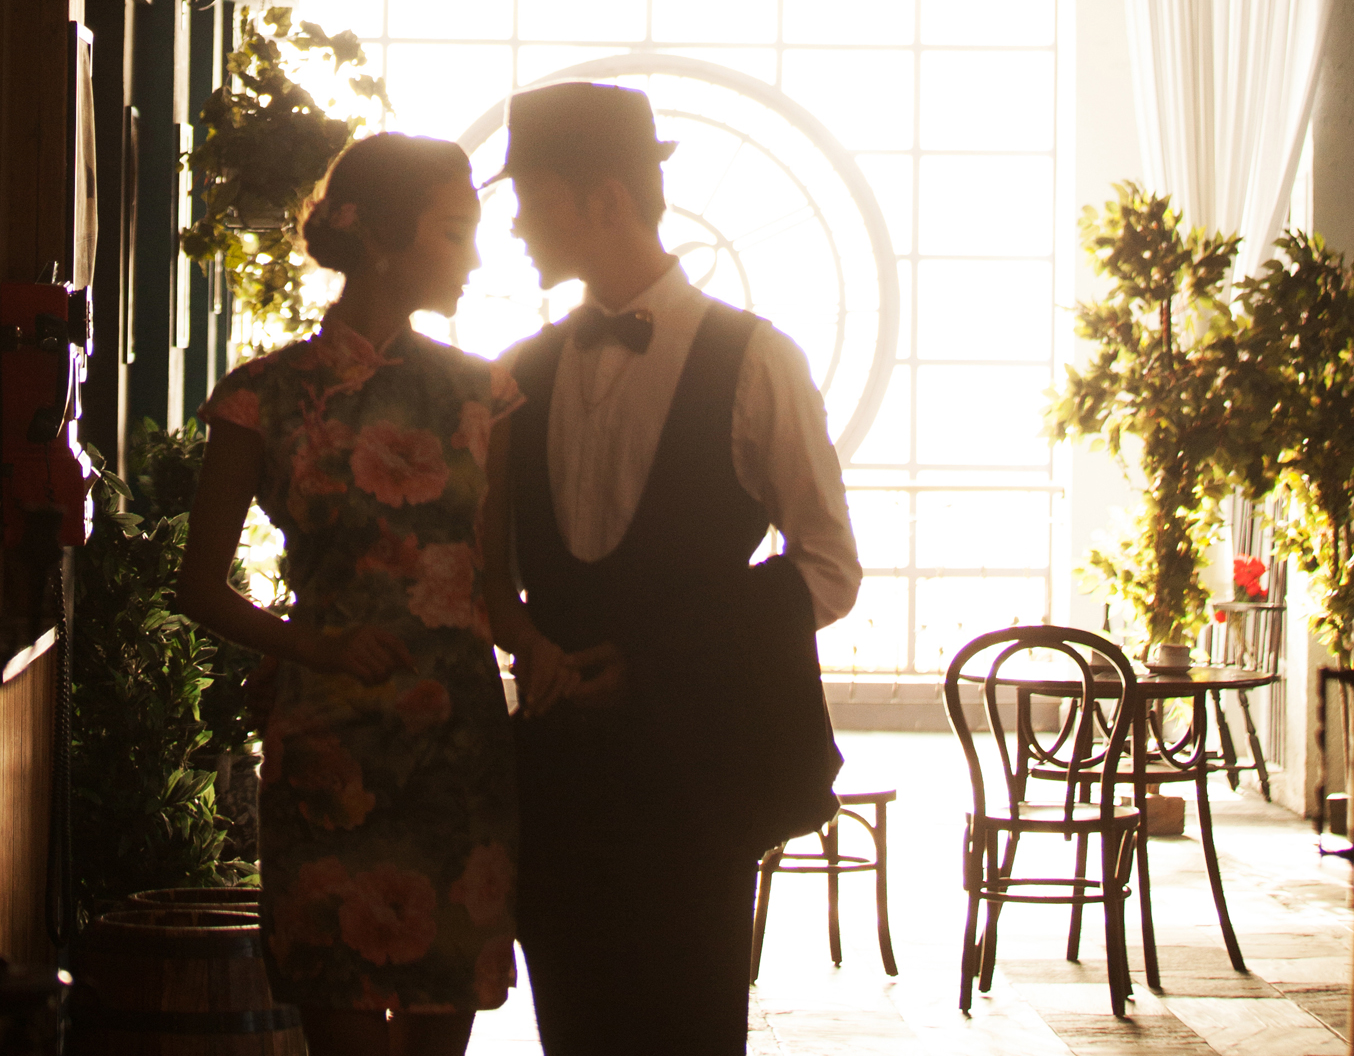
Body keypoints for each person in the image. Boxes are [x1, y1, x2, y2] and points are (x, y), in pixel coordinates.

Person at [482, 81, 863, 1056]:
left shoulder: (755, 358)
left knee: (689, 1027)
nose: (515, 222)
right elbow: (493, 571)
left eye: (529, 196)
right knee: (571, 1028)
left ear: (603, 198)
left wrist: (656, 665)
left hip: (695, 768)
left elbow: (827, 567)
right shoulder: (519, 372)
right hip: (559, 777)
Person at [178, 132, 567, 1056]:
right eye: (454, 232)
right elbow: (197, 587)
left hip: (458, 751)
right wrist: (311, 648)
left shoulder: (486, 396)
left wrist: (546, 652)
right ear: (383, 238)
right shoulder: (260, 396)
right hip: (328, 750)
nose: (475, 257)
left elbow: (494, 590)